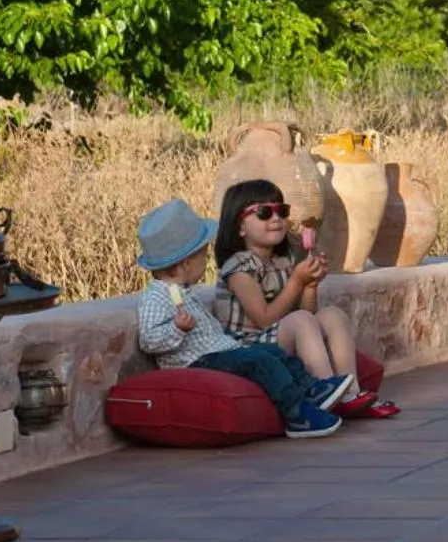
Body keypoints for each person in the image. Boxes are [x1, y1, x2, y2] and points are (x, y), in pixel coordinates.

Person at [132, 198, 346, 438]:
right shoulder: (156, 297)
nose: (207, 261)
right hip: (200, 361)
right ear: (184, 263)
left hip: (220, 352)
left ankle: (310, 389)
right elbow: (149, 339)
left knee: (272, 353)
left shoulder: (183, 293)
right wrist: (176, 329)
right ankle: (297, 415)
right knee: (258, 361)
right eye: (203, 255)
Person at [214, 179, 398, 420]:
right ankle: (324, 392)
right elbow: (264, 318)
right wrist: (296, 282)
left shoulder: (283, 261)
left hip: (279, 336)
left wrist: (310, 284)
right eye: (263, 213)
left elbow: (308, 314)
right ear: (240, 227)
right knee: (300, 320)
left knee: (332, 315)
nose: (276, 218)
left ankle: (350, 394)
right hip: (250, 347)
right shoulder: (238, 267)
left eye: (282, 211)